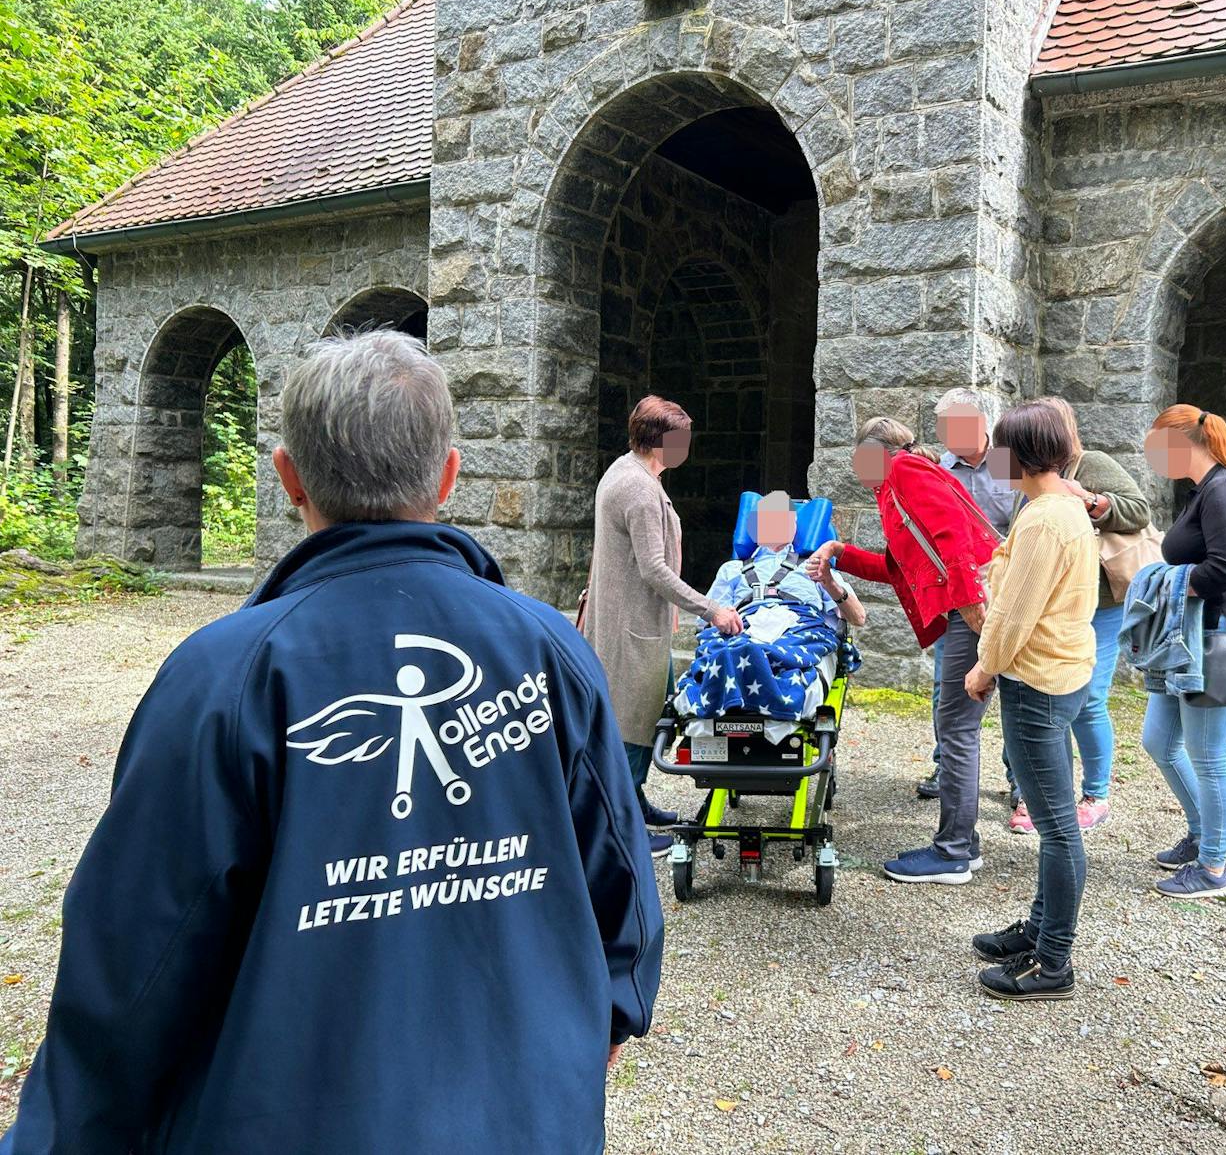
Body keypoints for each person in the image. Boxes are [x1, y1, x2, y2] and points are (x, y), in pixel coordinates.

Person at [0, 331, 663, 1155]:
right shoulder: (551, 651)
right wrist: (603, 1018)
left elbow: (132, 968)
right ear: (450, 476)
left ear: (288, 479)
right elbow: (623, 881)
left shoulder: (221, 677)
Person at [804, 416, 999, 885]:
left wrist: (975, 610)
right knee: (956, 726)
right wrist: (838, 552)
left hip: (965, 607)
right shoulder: (898, 481)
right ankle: (962, 844)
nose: (856, 469)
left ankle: (953, 851)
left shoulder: (907, 473)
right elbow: (899, 568)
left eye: (859, 458)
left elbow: (953, 537)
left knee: (955, 728)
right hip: (961, 606)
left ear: (875, 453)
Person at [963, 400, 1099, 1001]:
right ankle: (1040, 930)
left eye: (999, 446)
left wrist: (984, 668)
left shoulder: (1045, 518)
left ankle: (1053, 962)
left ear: (1018, 454)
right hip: (1059, 674)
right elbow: (1005, 570)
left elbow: (1014, 612)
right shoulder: (1054, 508)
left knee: (1057, 828)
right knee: (1055, 820)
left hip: (1037, 682)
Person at [581, 396, 742, 857]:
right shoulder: (638, 488)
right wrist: (711, 609)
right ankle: (622, 826)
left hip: (633, 623)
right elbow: (654, 569)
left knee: (652, 716)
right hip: (631, 627)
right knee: (631, 725)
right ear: (664, 443)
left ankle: (635, 803)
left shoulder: (628, 471)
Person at [1004, 397, 1153, 836]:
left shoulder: (1092, 462)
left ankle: (1095, 794)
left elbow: (1139, 510)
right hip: (1052, 607)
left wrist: (1090, 501)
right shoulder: (1030, 478)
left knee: (1087, 700)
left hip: (1100, 604)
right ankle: (1037, 793)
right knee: (1041, 701)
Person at [1137, 404, 1226, 900]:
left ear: (1181, 441)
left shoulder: (1225, 490)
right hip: (1190, 642)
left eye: (1156, 446)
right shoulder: (1206, 491)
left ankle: (1214, 868)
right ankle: (1201, 833)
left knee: (1209, 758)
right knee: (1159, 741)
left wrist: (1164, 584)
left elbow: (1224, 572)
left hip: (1220, 642)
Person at [675, 491, 866, 721]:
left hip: (798, 627)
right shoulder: (731, 570)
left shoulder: (817, 567)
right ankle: (750, 666)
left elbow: (858, 618)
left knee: (764, 652)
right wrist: (720, 615)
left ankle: (759, 674)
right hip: (743, 626)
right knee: (729, 647)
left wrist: (829, 582)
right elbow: (705, 622)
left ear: (794, 525)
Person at [917, 389, 1017, 802]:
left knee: (1015, 684)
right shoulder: (936, 471)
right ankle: (947, 766)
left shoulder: (1011, 464)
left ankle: (1019, 778)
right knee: (948, 682)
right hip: (956, 596)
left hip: (1008, 589)